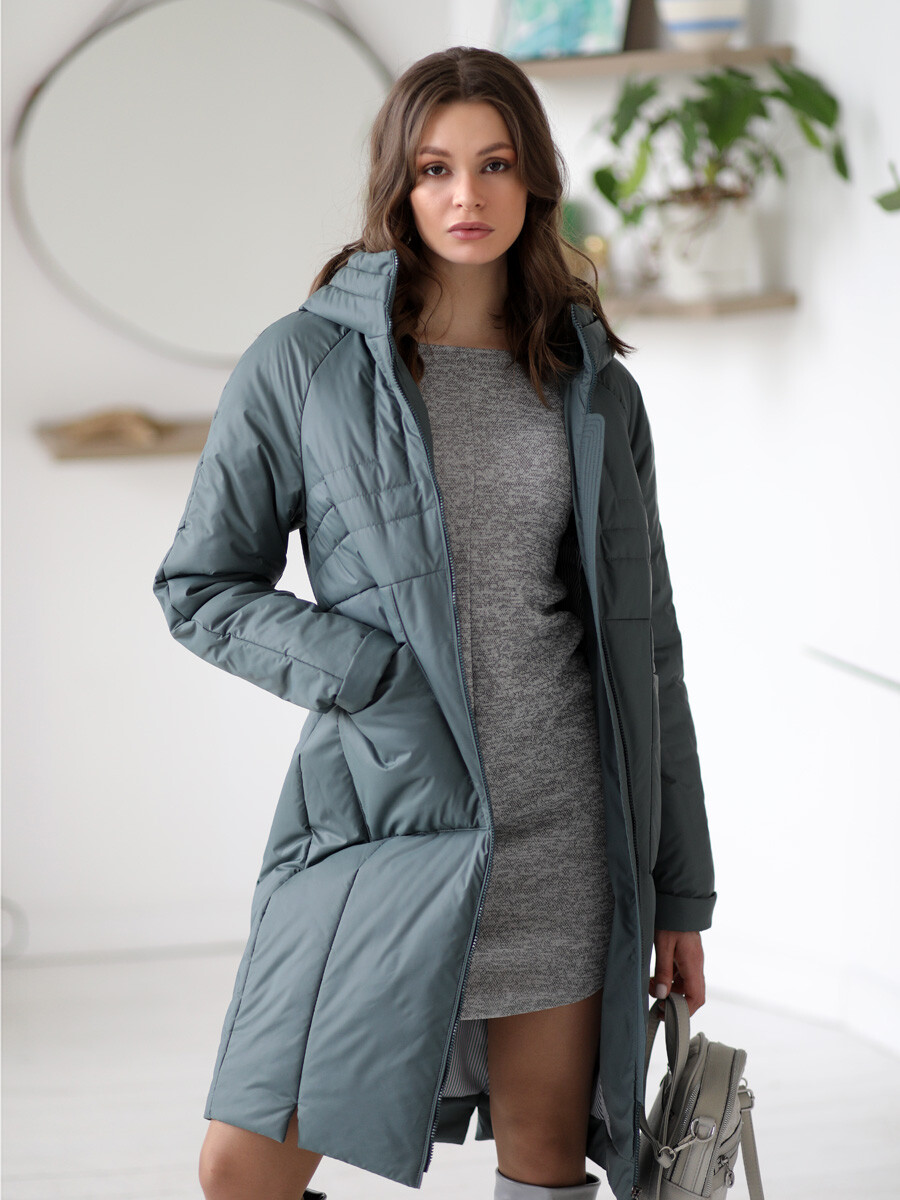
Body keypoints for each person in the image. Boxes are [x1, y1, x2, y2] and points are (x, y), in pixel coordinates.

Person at [153, 45, 716, 1200]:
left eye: (495, 164)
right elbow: (201, 586)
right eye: (435, 169)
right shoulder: (305, 362)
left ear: (534, 178)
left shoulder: (593, 383)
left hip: (565, 833)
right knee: (242, 1170)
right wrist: (367, 674)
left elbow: (648, 647)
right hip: (383, 825)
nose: (467, 196)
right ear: (398, 186)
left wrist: (679, 891)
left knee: (546, 1167)